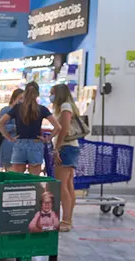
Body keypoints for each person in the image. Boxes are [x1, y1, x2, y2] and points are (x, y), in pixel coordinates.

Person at [0, 82, 60, 175]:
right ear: (38, 94)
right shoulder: (41, 109)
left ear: (25, 93)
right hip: (36, 144)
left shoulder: (17, 108)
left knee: (17, 179)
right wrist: (48, 138)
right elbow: (58, 127)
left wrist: (9, 138)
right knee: (34, 180)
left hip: (19, 144)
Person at [50, 83, 81, 232]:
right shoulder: (69, 106)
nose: (51, 96)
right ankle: (68, 219)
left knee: (62, 186)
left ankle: (66, 221)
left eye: (52, 93)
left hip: (66, 148)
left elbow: (64, 129)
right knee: (68, 185)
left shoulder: (65, 107)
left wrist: (57, 148)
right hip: (71, 147)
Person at [0, 89, 24, 171]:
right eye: (20, 98)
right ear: (13, 99)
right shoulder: (6, 110)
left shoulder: (24, 112)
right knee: (10, 171)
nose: (22, 101)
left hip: (21, 146)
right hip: (8, 146)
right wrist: (14, 127)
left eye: (24, 99)